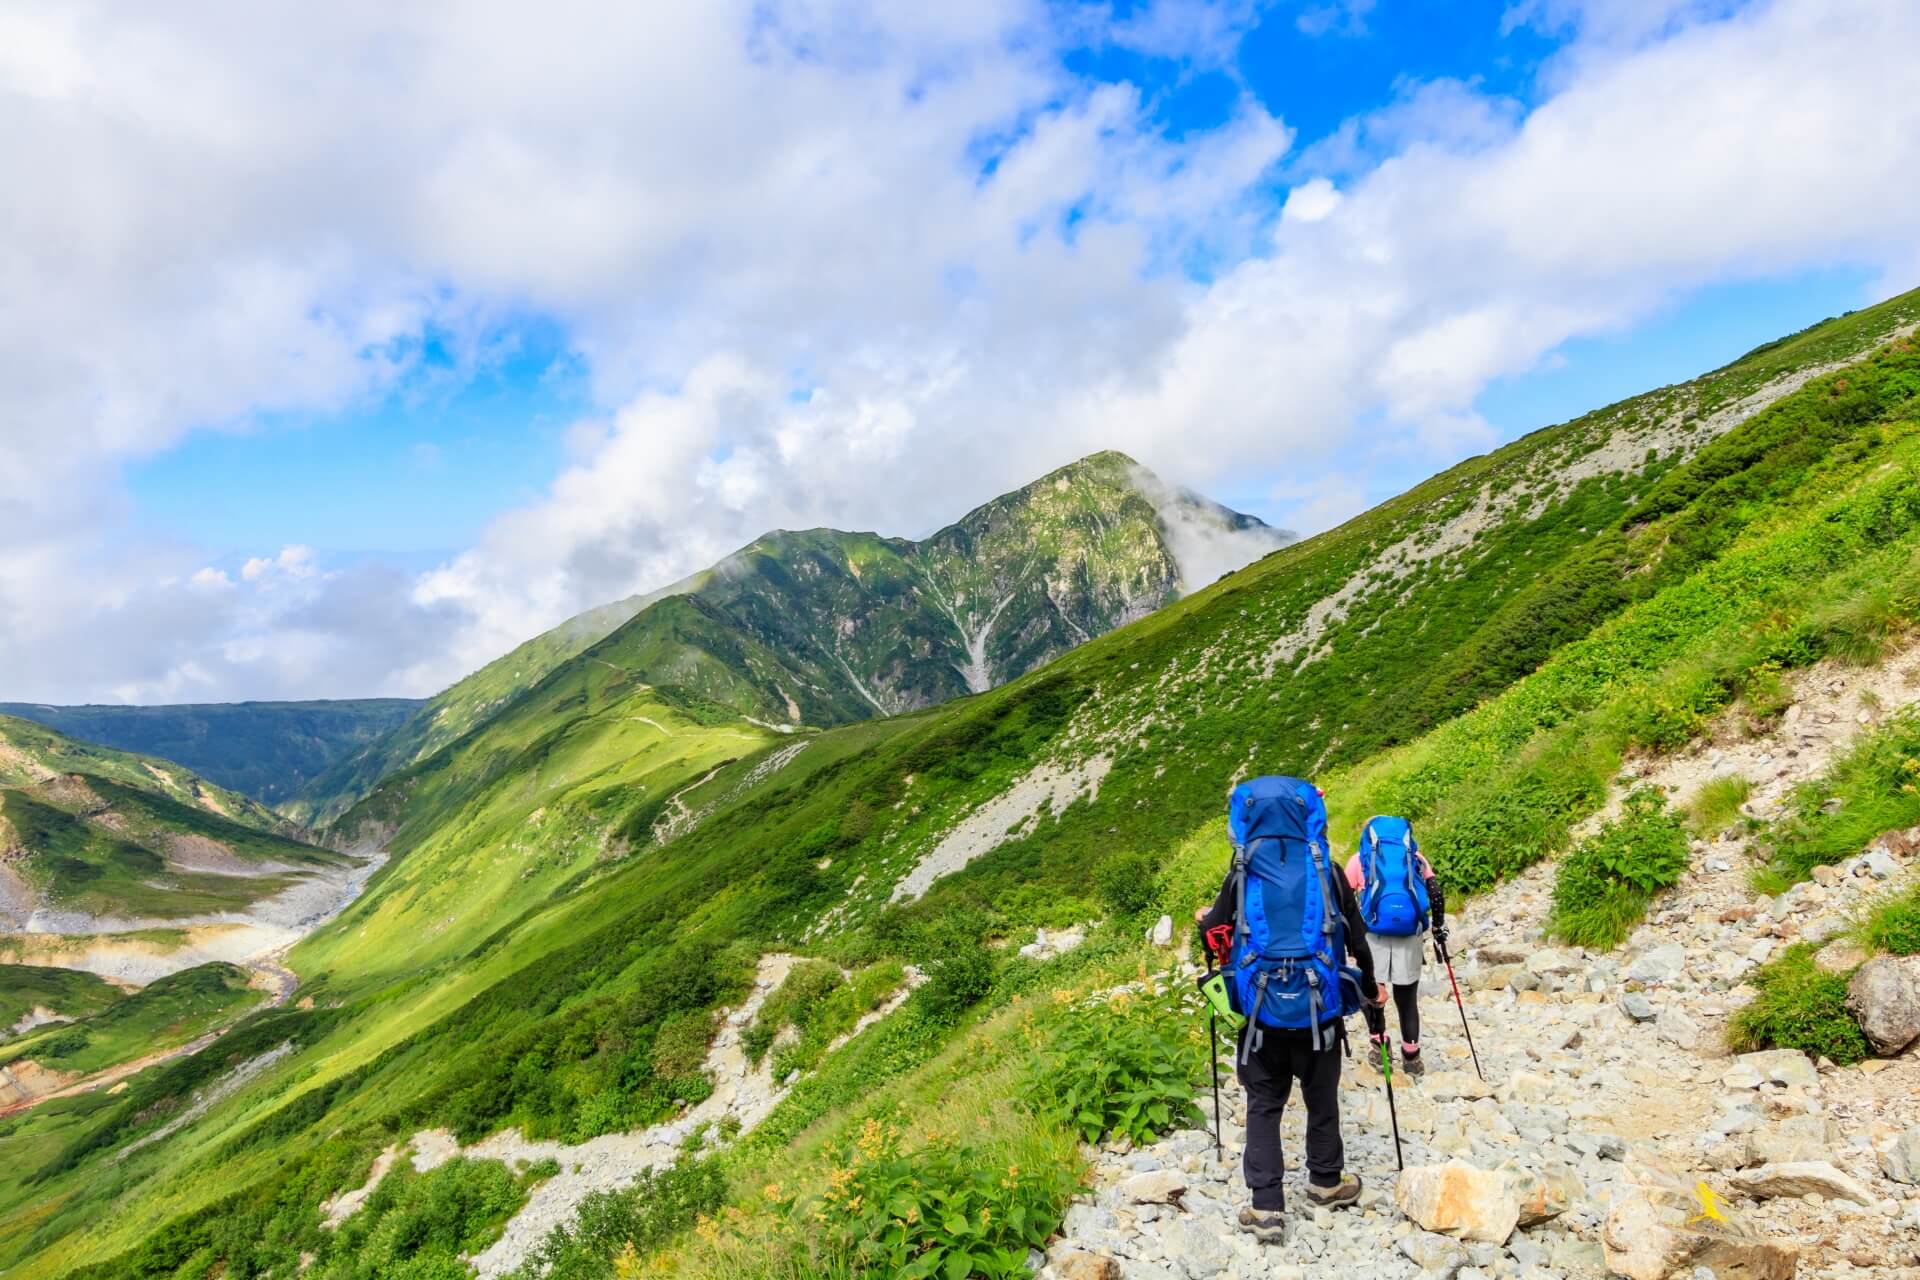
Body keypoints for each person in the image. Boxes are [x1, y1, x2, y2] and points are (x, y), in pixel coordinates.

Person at [1194, 794, 1384, 1242]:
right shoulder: (1327, 868)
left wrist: (1205, 921)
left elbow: (1214, 930)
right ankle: (1325, 1183)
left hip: (1261, 1016)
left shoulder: (1241, 872)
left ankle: (1266, 1208)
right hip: (1320, 1010)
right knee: (1322, 1099)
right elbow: (1356, 937)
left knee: (1263, 1105)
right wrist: (1372, 988)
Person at [1345, 833, 1446, 1076]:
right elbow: (1435, 894)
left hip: (1372, 934)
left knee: (1373, 994)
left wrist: (1348, 939)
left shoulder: (1360, 860)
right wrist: (1438, 928)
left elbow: (1345, 901)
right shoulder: (1415, 858)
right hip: (1409, 934)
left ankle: (1381, 1049)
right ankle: (1411, 1057)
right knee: (1407, 998)